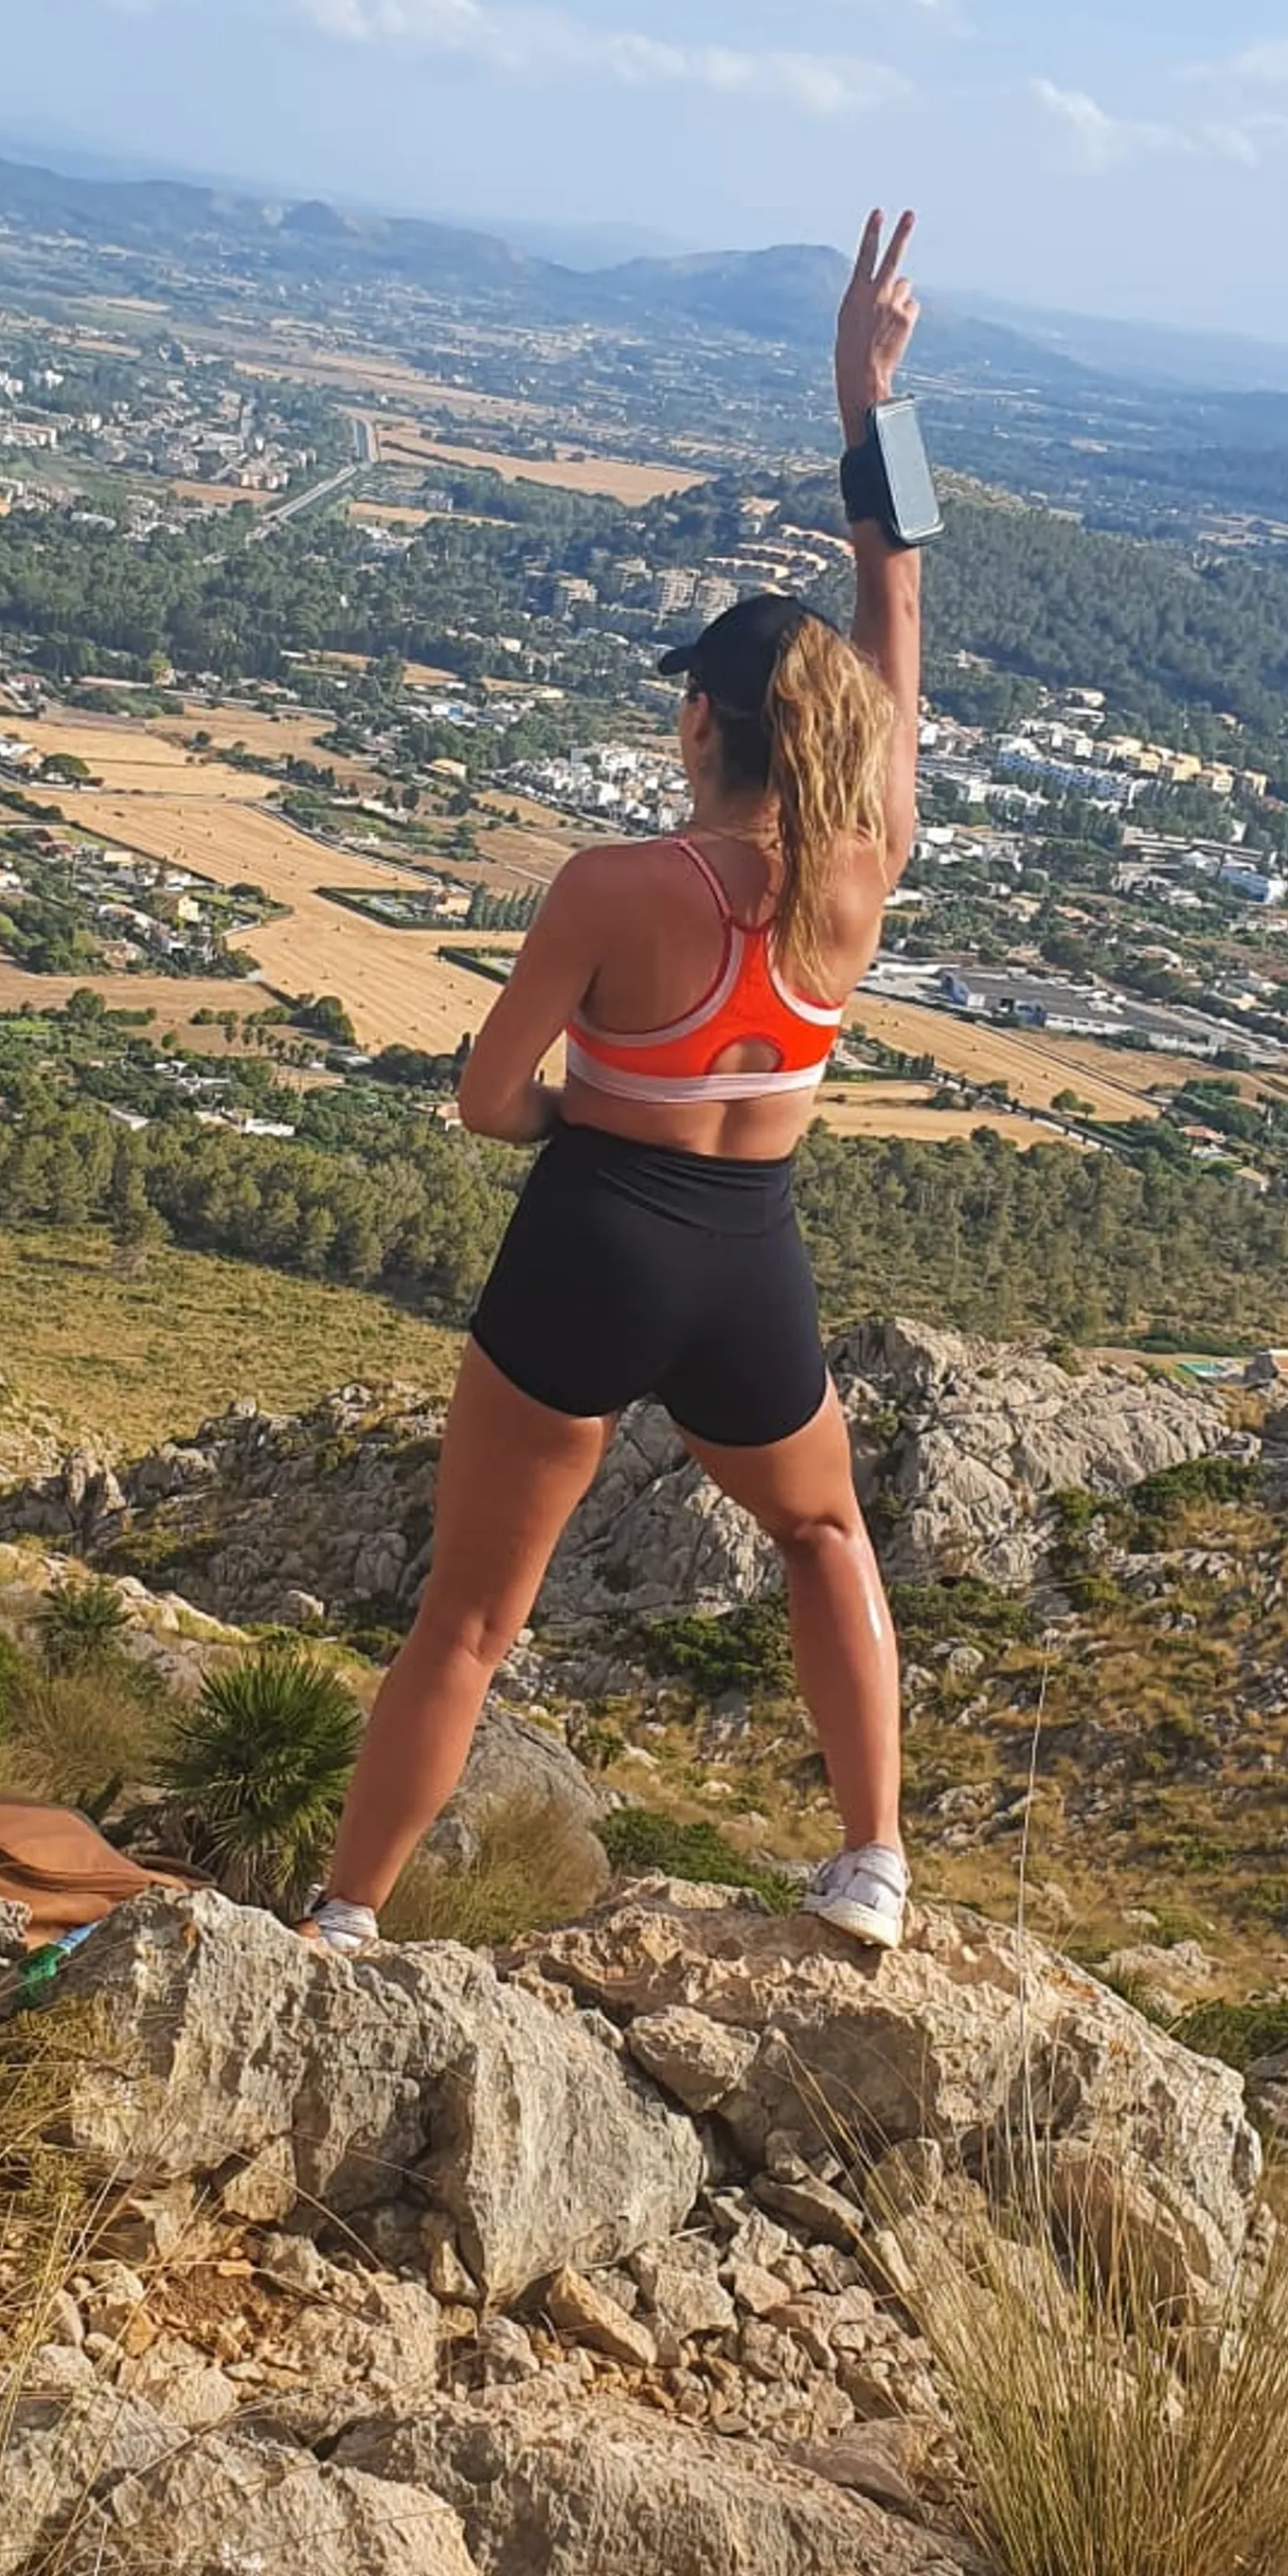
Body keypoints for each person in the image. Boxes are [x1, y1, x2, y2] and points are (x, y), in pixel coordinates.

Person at [304, 207, 928, 1955]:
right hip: (751, 1253)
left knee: (469, 1624)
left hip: (594, 1237)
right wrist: (866, 399)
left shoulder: (612, 888)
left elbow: (486, 1100)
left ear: (703, 727)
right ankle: (871, 1863)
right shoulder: (863, 862)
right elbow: (897, 594)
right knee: (824, 1541)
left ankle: (348, 1917)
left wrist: (588, 1119)